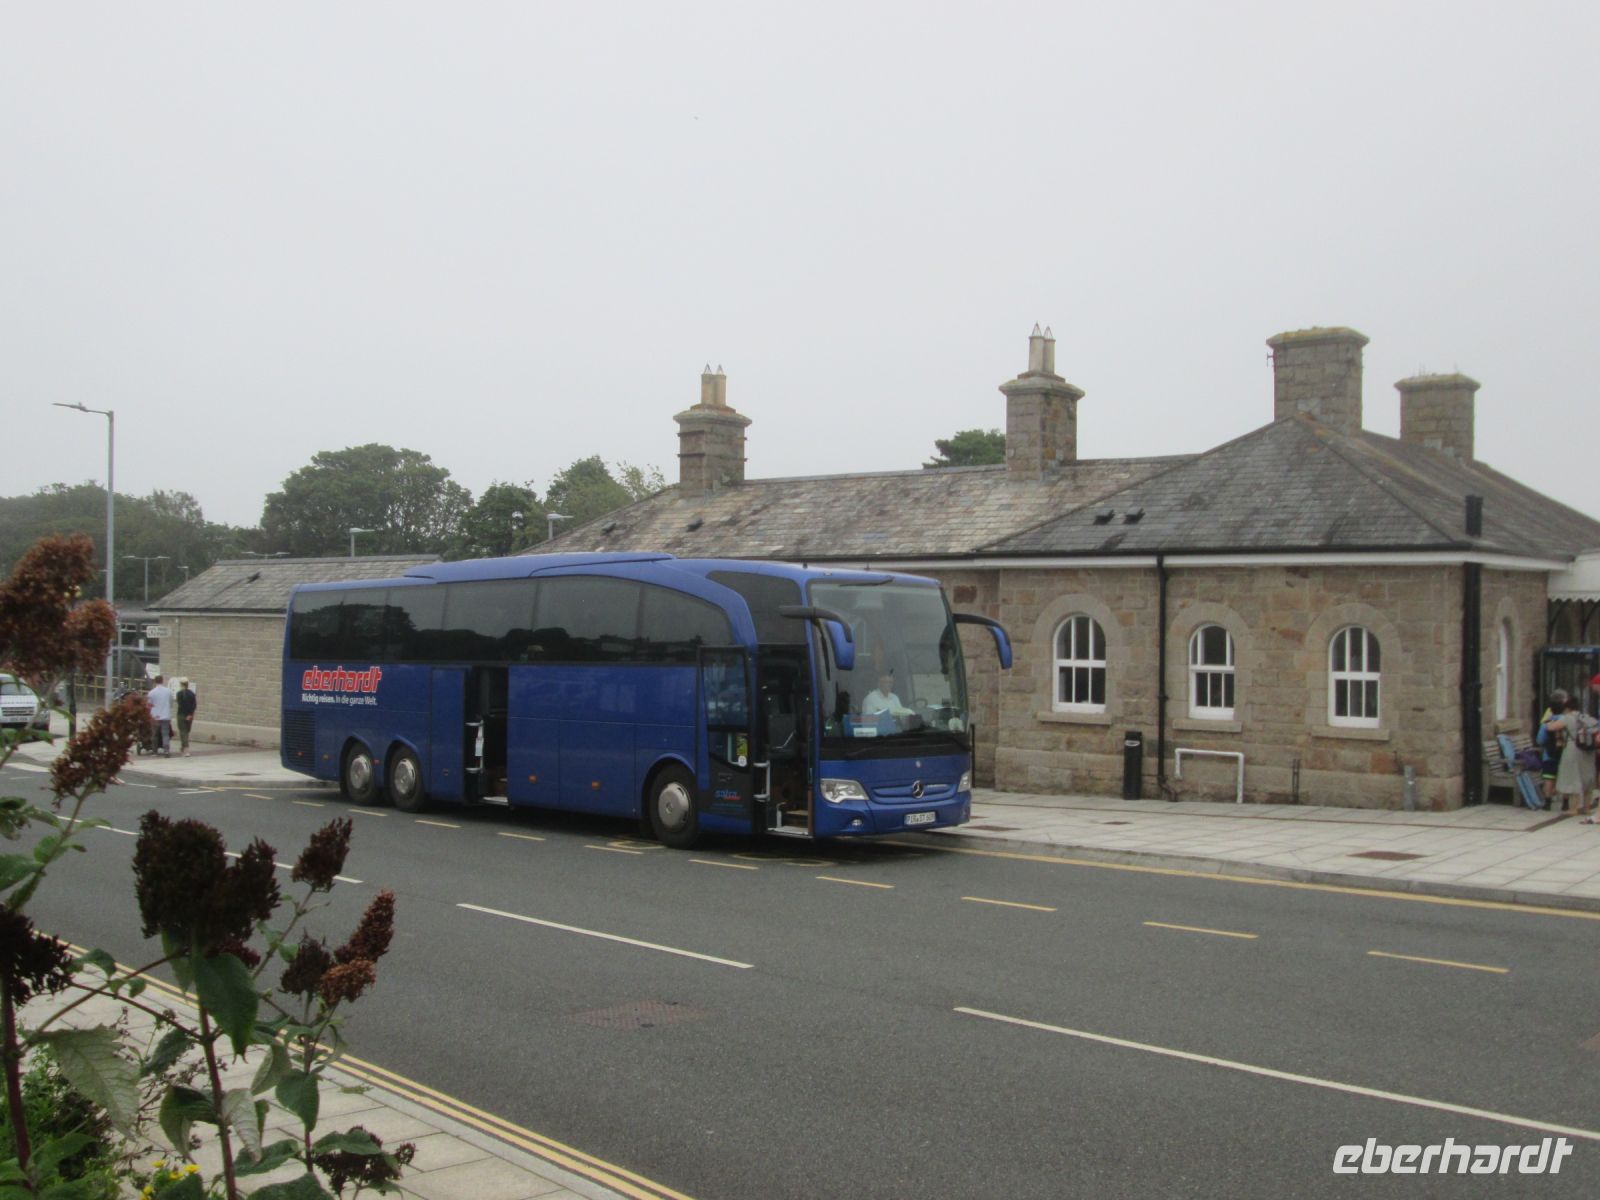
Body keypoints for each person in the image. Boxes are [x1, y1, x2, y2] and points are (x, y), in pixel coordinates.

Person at [1544, 697, 1597, 819]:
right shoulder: (1585, 717)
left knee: (1573, 777)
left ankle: (1573, 809)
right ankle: (1587, 807)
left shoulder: (1567, 718)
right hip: (1588, 750)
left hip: (1573, 749)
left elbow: (1551, 727)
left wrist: (1548, 721)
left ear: (1567, 707)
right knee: (1587, 777)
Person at [1538, 688, 1569, 809]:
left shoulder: (1547, 722)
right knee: (1565, 777)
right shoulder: (1567, 720)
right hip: (1565, 753)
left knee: (1549, 777)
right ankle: (1565, 803)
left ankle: (1547, 802)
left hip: (1549, 754)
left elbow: (1540, 740)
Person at [146, 674, 174, 758]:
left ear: (155, 681)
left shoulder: (151, 693)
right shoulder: (168, 691)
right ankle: (166, 751)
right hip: (166, 715)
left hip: (155, 716)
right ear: (162, 681)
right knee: (165, 734)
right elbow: (171, 703)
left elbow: (149, 705)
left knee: (155, 734)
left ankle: (155, 751)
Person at [175, 677, 198, 756]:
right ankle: (183, 747)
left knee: (183, 732)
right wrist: (190, 714)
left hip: (181, 715)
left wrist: (186, 714)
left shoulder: (179, 694)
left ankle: (186, 749)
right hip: (189, 716)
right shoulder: (192, 694)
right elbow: (194, 705)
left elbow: (180, 705)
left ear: (181, 684)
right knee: (186, 732)